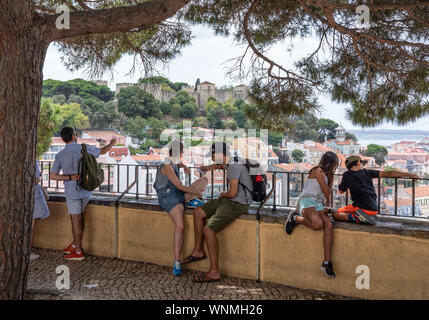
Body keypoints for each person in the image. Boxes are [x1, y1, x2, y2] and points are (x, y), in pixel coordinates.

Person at [183, 142, 253, 283]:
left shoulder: (234, 166)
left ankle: (214, 271)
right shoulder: (232, 161)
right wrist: (207, 168)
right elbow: (221, 166)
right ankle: (198, 251)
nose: (213, 159)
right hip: (229, 201)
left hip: (237, 204)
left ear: (221, 154)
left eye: (213, 156)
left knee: (208, 231)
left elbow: (232, 193)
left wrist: (222, 194)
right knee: (198, 212)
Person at [50, 127, 116, 261]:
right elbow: (102, 151)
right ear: (74, 136)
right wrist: (112, 144)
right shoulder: (84, 148)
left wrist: (69, 178)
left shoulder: (60, 155)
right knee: (79, 218)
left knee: (75, 220)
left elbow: (53, 176)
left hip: (72, 191)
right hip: (86, 189)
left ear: (63, 139)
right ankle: (75, 244)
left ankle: (78, 251)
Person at [154, 140, 208, 276]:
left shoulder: (173, 161)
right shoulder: (166, 165)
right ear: (180, 152)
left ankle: (190, 200)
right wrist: (194, 192)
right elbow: (179, 185)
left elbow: (178, 164)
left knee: (204, 180)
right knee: (180, 225)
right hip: (168, 196)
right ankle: (177, 261)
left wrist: (184, 166)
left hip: (178, 194)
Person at [284, 151, 339, 278]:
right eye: (335, 164)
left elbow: (328, 195)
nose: (336, 166)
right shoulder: (317, 170)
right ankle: (295, 218)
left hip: (318, 204)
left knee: (329, 224)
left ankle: (326, 262)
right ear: (331, 163)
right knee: (317, 224)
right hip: (307, 200)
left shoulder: (328, 175)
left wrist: (328, 206)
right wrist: (331, 179)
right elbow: (327, 191)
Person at [332, 155, 420, 225]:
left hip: (361, 207)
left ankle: (356, 217)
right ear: (358, 162)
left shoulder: (346, 175)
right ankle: (360, 216)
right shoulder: (367, 172)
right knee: (340, 211)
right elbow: (389, 173)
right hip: (372, 208)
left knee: (336, 214)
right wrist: (410, 175)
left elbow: (341, 191)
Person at [30, 160, 51, 261]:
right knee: (32, 225)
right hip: (33, 194)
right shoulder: (32, 159)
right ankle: (27, 252)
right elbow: (36, 180)